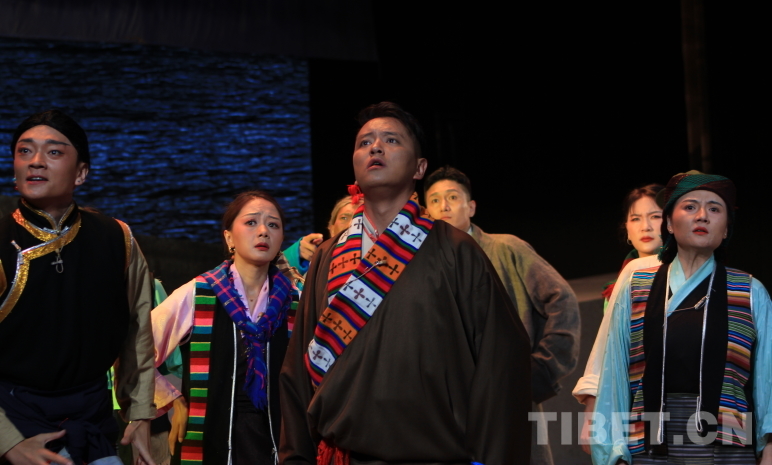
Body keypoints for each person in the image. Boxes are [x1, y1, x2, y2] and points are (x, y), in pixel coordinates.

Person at [280, 101, 531, 464]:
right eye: (365, 142)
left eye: (391, 140)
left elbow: (500, 361)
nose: (376, 147)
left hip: (437, 455)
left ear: (419, 167)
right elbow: (296, 374)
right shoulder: (328, 256)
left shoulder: (456, 249)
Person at [0, 110, 156, 465]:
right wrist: (8, 443)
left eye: (54, 152)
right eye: (25, 151)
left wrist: (140, 413)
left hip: (92, 419)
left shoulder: (117, 238)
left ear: (81, 173)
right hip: (14, 419)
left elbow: (138, 333)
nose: (36, 161)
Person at [591, 171, 772, 465]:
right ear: (669, 223)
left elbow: (768, 379)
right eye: (689, 207)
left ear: (727, 228)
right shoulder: (636, 286)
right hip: (649, 443)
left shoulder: (750, 292)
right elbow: (615, 375)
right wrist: (611, 450)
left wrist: (770, 448)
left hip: (727, 446)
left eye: (715, 209)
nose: (702, 216)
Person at [424, 165, 580, 465]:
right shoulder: (423, 267)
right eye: (434, 200)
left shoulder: (505, 248)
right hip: (449, 409)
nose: (443, 206)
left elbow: (561, 299)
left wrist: (542, 369)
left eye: (452, 197)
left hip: (507, 398)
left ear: (471, 207)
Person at [151, 190, 300, 465]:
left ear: (281, 239)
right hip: (211, 438)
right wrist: (172, 400)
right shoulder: (199, 293)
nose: (263, 231)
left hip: (277, 439)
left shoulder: (294, 301)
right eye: (251, 222)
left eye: (273, 224)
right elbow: (135, 352)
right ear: (229, 237)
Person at [574, 183, 664, 453]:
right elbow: (608, 349)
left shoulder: (686, 274)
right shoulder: (618, 285)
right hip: (626, 395)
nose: (645, 226)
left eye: (655, 216)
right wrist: (593, 406)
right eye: (635, 219)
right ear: (626, 228)